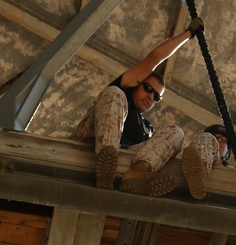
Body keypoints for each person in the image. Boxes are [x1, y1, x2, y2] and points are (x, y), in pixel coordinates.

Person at [72, 27, 201, 197]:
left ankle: (137, 174)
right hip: (92, 138)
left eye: (156, 97)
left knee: (176, 132)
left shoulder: (148, 129)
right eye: (147, 88)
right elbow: (155, 57)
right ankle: (106, 157)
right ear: (136, 83)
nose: (150, 96)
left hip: (127, 156)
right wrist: (189, 34)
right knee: (113, 93)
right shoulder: (122, 92)